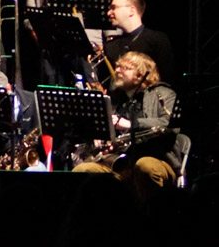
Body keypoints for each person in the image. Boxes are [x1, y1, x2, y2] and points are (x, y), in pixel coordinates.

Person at [73, 51, 183, 204]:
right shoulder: (116, 98)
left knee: (144, 165)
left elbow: (171, 124)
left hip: (158, 159)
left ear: (142, 72)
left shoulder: (164, 93)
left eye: (124, 68)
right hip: (120, 163)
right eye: (118, 67)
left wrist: (131, 124)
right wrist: (102, 136)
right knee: (81, 170)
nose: (117, 71)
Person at [102, 0, 176, 84]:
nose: (109, 13)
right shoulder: (111, 46)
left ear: (131, 10)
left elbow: (167, 78)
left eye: (114, 7)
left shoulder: (157, 40)